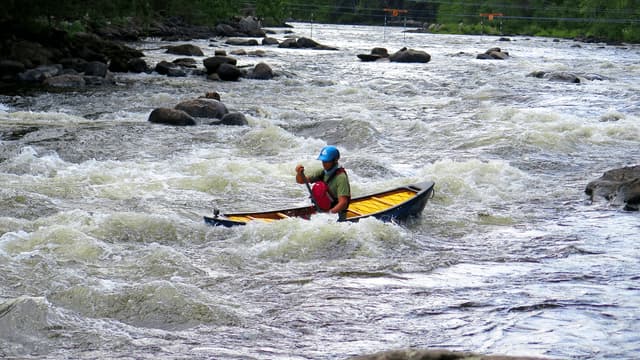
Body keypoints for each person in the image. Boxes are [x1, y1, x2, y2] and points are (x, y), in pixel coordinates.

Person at [295, 145, 351, 220]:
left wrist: (329, 215)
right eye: (323, 161)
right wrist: (299, 173)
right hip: (322, 211)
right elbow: (301, 181)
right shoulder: (323, 172)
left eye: (327, 161)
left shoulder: (341, 178)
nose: (324, 163)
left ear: (335, 160)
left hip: (336, 215)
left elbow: (343, 203)